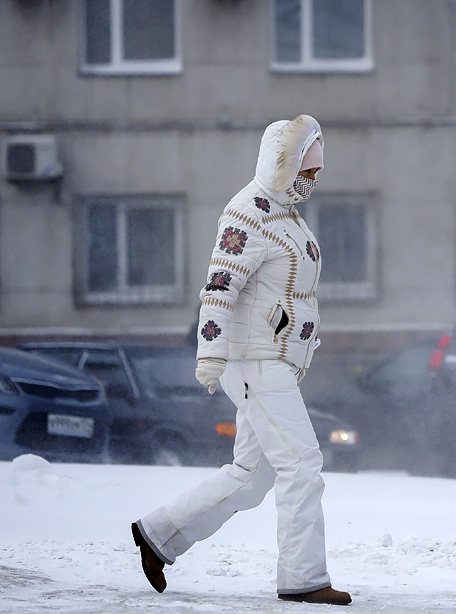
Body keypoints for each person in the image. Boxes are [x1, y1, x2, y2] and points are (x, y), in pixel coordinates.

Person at [130, 115, 351, 606]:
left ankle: (157, 534)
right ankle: (304, 578)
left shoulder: (287, 214)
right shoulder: (247, 214)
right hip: (251, 359)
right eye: (306, 170)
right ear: (282, 163)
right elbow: (219, 288)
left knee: (254, 476)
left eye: (316, 172)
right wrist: (210, 354)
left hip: (275, 360)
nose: (312, 180)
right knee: (302, 462)